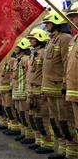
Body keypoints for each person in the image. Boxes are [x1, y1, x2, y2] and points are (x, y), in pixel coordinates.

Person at [42, 10, 72, 159]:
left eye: (48, 23)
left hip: (59, 87)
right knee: (55, 119)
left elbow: (67, 62)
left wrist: (66, 83)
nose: (46, 26)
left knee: (65, 119)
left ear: (56, 23)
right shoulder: (51, 41)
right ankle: (61, 148)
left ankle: (71, 150)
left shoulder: (65, 39)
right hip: (49, 88)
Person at [65, 2, 78, 159]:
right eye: (73, 17)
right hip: (73, 88)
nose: (74, 19)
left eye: (76, 16)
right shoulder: (74, 40)